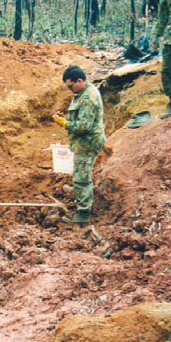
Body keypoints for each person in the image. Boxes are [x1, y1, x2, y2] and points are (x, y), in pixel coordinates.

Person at [54, 65, 106, 224]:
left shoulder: (88, 98)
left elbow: (84, 127)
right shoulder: (83, 91)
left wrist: (65, 123)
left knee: (82, 177)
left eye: (70, 86)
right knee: (79, 171)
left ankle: (83, 214)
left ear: (80, 80)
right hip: (83, 142)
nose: (69, 90)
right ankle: (79, 191)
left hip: (88, 142)